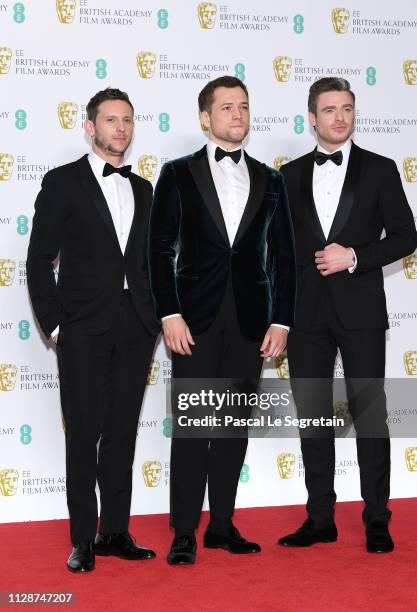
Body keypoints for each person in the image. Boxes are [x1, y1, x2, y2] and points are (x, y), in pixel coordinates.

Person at [148, 75, 296, 564]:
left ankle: (223, 524)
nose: (238, 115)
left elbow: (284, 259)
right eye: (227, 107)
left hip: (252, 323)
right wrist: (169, 311)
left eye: (244, 107)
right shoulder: (176, 174)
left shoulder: (271, 179)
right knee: (194, 426)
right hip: (194, 319)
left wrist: (282, 321)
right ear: (205, 118)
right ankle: (185, 530)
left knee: (234, 426)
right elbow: (159, 248)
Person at [279, 77, 417, 553]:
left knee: (370, 415)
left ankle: (377, 518)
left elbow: (406, 236)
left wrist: (354, 256)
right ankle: (320, 518)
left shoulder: (380, 169)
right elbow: (278, 251)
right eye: (329, 109)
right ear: (311, 118)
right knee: (313, 417)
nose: (340, 117)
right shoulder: (289, 175)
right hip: (305, 314)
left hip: (361, 311)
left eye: (347, 108)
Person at [27, 88, 160, 572]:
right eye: (110, 120)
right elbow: (39, 260)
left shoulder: (144, 189)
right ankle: (82, 538)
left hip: (135, 326)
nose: (120, 128)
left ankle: (115, 532)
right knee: (83, 433)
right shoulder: (62, 183)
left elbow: (150, 261)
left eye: (127, 120)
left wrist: (155, 317)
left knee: (122, 433)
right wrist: (56, 323)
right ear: (90, 127)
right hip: (82, 327)